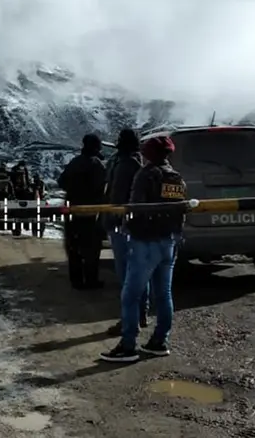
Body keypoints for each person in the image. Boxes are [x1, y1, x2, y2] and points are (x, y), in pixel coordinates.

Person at [101, 135, 186, 363]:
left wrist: (128, 230)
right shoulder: (175, 177)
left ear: (149, 154)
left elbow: (135, 207)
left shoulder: (145, 174)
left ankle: (128, 345)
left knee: (130, 295)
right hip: (169, 241)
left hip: (146, 242)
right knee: (164, 293)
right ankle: (160, 341)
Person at [103, 128, 148, 336]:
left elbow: (116, 194)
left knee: (127, 275)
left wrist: (112, 219)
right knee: (138, 272)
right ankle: (140, 314)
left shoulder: (125, 163)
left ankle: (131, 321)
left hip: (122, 223)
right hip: (131, 223)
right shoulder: (135, 161)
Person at [57, 134, 108, 290]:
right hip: (91, 212)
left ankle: (77, 281)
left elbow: (61, 181)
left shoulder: (74, 162)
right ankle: (91, 280)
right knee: (91, 249)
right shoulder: (97, 164)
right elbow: (102, 187)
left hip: (72, 209)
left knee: (74, 247)